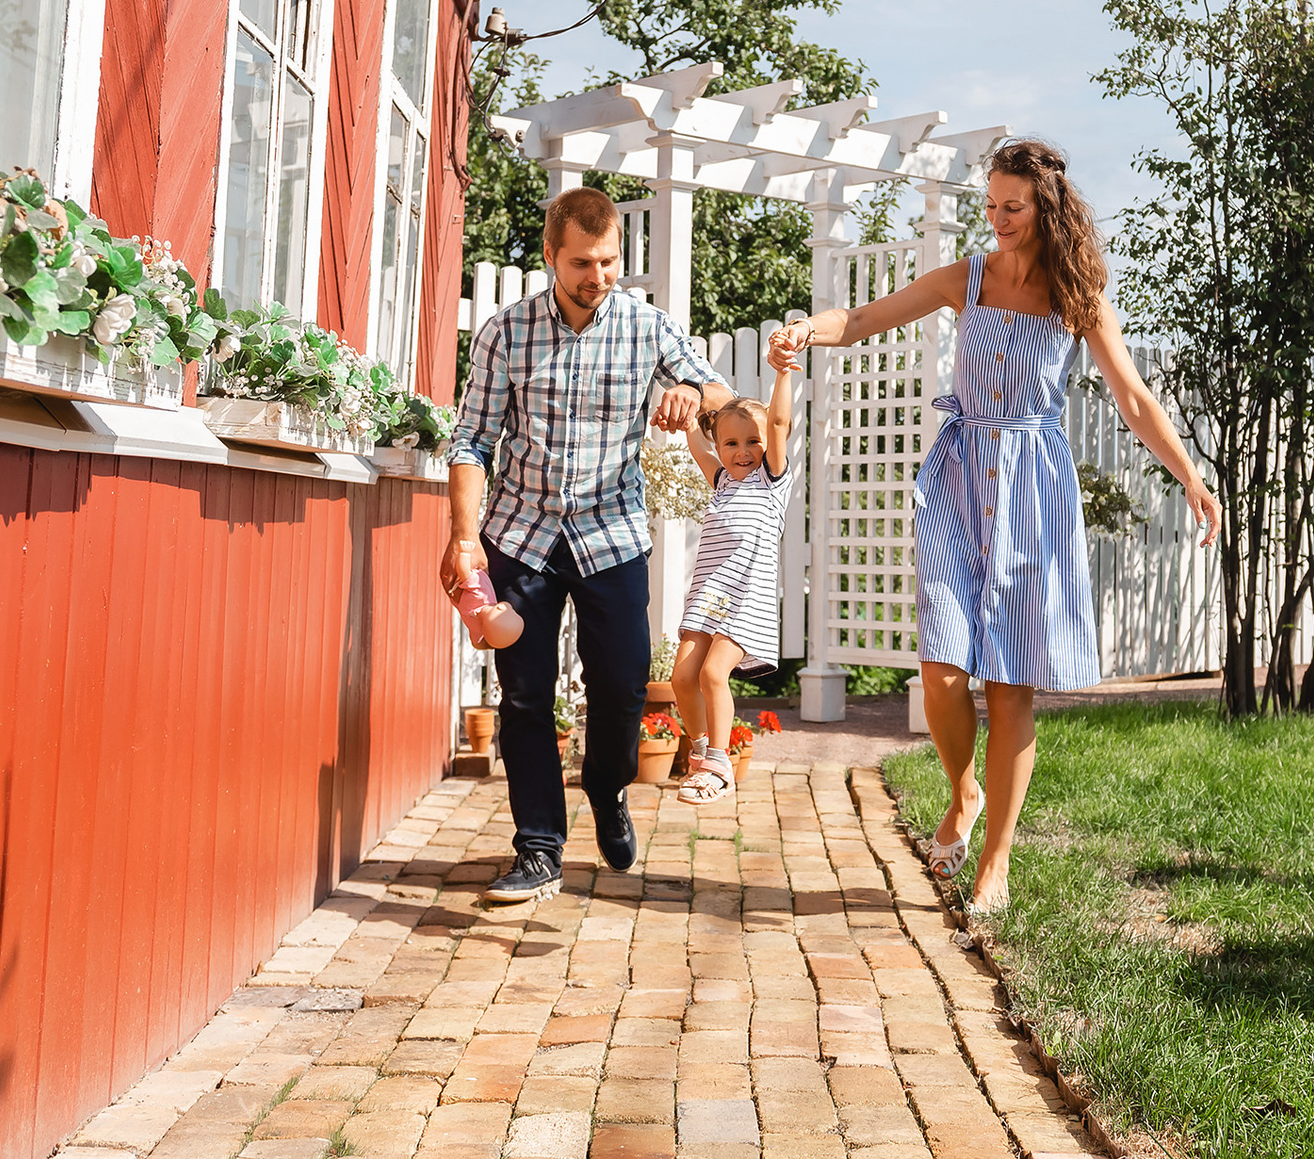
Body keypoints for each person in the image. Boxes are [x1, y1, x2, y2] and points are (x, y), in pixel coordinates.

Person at [770, 139, 1220, 913]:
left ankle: (997, 861)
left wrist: (1191, 475)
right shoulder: (966, 278)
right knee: (943, 666)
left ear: (1044, 206)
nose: (998, 219)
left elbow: (1135, 400)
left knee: (1010, 683)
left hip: (1031, 488)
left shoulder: (1077, 296)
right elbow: (867, 318)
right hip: (957, 470)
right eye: (991, 206)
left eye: (1012, 206)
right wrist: (807, 329)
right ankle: (963, 790)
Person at [443, 186, 737, 903]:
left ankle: (607, 789)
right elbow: (472, 440)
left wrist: (694, 396)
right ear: (551, 255)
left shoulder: (646, 327)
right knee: (523, 697)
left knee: (622, 687)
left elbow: (723, 393)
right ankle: (538, 846)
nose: (597, 276)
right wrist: (462, 537)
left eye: (608, 262)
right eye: (581, 262)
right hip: (521, 532)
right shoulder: (504, 334)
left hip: (612, 535)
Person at [665, 342, 800, 804]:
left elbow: (779, 422)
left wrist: (782, 374)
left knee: (713, 675)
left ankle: (720, 762)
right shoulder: (722, 479)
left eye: (753, 442)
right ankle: (702, 752)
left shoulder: (771, 481)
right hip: (710, 596)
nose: (743, 452)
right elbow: (696, 443)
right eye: (732, 443)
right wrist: (687, 419)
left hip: (748, 597)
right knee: (682, 676)